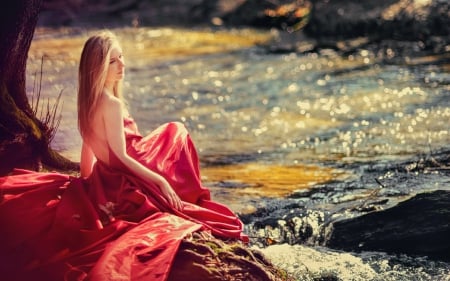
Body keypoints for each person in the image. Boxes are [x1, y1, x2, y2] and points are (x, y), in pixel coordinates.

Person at [0, 31, 247, 281]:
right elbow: (121, 156)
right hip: (130, 166)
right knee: (176, 133)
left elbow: (88, 161)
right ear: (97, 68)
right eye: (113, 61)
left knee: (171, 134)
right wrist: (159, 182)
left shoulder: (89, 102)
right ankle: (186, 194)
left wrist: (87, 185)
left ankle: (181, 191)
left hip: (111, 172)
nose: (122, 65)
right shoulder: (112, 104)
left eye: (122, 57)